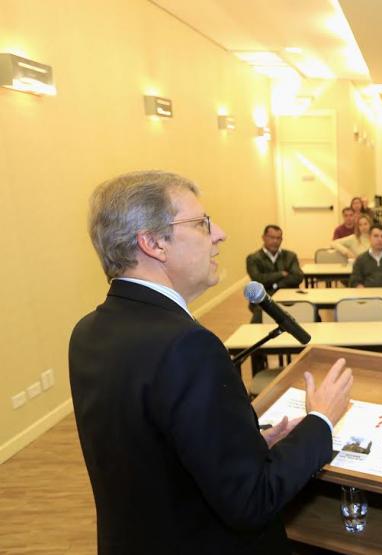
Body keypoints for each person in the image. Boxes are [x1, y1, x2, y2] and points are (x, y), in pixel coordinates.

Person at [69, 170, 353, 553]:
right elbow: (251, 501)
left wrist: (247, 444)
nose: (219, 233)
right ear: (153, 243)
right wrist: (321, 420)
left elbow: (152, 452)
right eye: (202, 223)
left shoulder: (88, 331)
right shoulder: (187, 346)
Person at [245, 225, 304, 322]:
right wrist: (281, 274)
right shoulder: (253, 258)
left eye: (278, 238)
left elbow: (298, 277)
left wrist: (276, 285)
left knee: (311, 312)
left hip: (289, 296)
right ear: (263, 238)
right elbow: (258, 280)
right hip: (264, 298)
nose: (275, 241)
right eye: (271, 238)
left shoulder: (290, 256)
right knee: (259, 317)